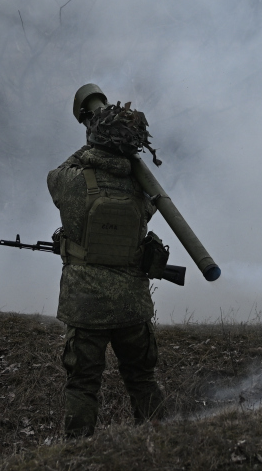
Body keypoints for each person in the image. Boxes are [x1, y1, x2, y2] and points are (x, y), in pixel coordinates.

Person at [47, 84, 165, 438]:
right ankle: (161, 444)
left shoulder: (73, 180)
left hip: (86, 306)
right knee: (142, 379)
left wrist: (90, 146)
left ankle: (77, 454)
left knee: (83, 384)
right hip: (132, 304)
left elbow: (54, 176)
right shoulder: (141, 188)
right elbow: (149, 209)